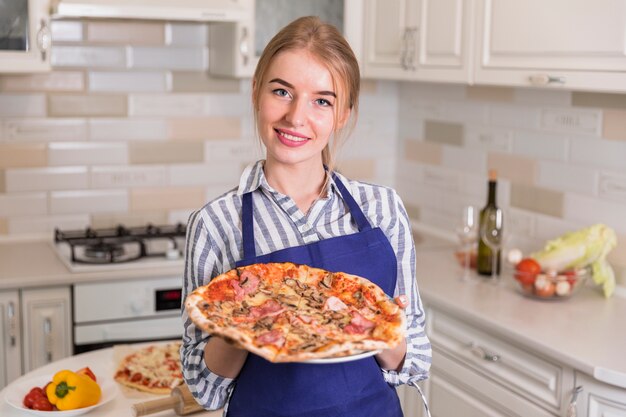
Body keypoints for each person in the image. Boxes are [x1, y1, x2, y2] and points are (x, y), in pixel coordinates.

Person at [181, 16, 431, 417]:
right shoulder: (216, 223)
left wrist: (377, 328)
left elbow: (414, 360)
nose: (296, 117)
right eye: (282, 91)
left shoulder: (383, 208)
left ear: (343, 114)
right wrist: (236, 326)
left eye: (322, 100)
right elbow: (204, 391)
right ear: (255, 92)